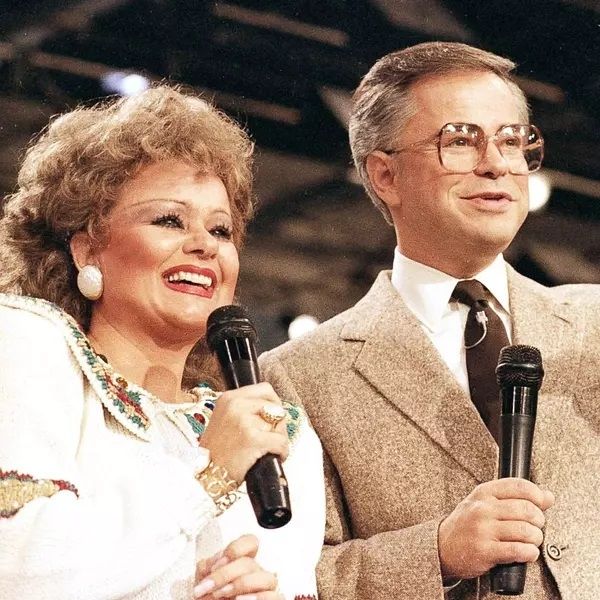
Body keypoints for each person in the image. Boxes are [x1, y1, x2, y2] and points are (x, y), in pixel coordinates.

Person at [259, 41, 600, 600]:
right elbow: (289, 573)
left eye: (512, 140)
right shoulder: (297, 376)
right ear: (385, 176)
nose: (496, 163)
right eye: (461, 140)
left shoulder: (594, 325)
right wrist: (435, 552)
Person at [0, 85, 324, 600]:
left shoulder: (278, 434)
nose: (204, 245)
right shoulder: (29, 345)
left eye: (221, 230)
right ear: (87, 250)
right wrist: (208, 475)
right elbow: (18, 566)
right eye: (169, 220)